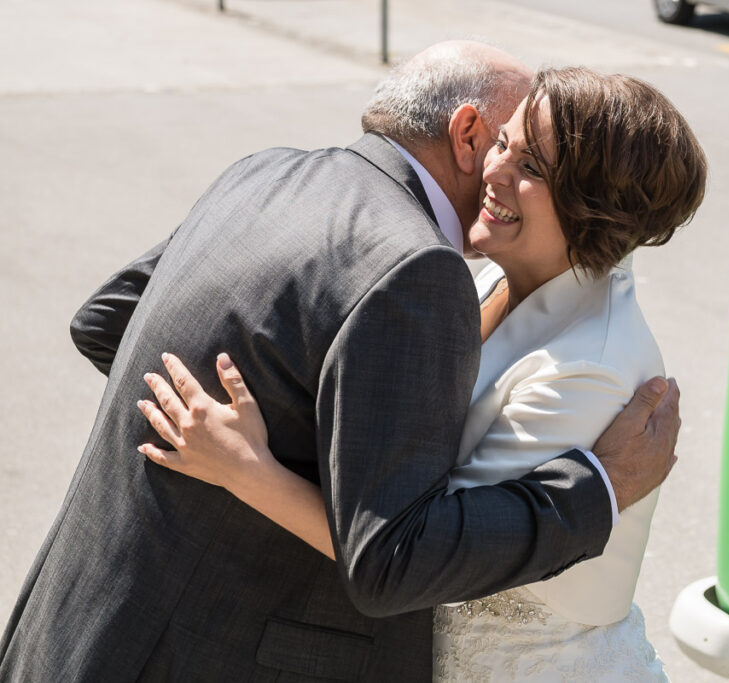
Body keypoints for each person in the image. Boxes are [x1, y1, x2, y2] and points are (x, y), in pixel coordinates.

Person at [0, 43, 679, 682]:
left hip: (78, 609)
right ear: (469, 132)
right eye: (504, 142)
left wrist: (257, 446)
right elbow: (394, 555)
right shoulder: (419, 268)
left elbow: (105, 319)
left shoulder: (264, 173)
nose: (501, 168)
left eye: (530, 162)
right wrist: (597, 487)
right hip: (189, 644)